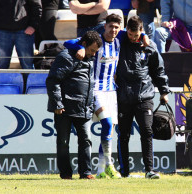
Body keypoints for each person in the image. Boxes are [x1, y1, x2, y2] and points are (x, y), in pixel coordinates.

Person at [63, 14, 150, 179]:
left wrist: (144, 35)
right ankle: (108, 165)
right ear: (105, 26)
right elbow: (68, 42)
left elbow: (137, 31)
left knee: (109, 128)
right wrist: (79, 48)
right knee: (107, 123)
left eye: (117, 27)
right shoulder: (97, 40)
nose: (114, 30)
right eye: (111, 27)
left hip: (112, 91)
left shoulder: (121, 38)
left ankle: (102, 169)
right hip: (95, 90)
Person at [116, 16, 170, 179]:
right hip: (123, 96)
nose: (133, 38)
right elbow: (114, 32)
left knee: (147, 131)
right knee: (123, 134)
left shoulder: (150, 46)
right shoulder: (120, 42)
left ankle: (150, 170)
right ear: (127, 31)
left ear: (142, 31)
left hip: (144, 95)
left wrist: (164, 91)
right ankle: (124, 171)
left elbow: (158, 71)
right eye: (131, 35)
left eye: (137, 35)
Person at [46, 31, 102, 180]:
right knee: (63, 143)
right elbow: (53, 81)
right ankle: (66, 174)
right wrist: (57, 103)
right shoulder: (66, 57)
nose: (94, 55)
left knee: (86, 141)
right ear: (83, 45)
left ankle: (86, 173)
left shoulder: (88, 57)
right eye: (92, 50)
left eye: (96, 52)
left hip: (83, 107)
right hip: (64, 108)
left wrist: (90, 106)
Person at [0, 0, 42, 69]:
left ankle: (30, 80)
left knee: (28, 65)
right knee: (1, 65)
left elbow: (37, 7)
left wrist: (33, 26)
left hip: (24, 31)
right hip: (2, 31)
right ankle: (1, 80)